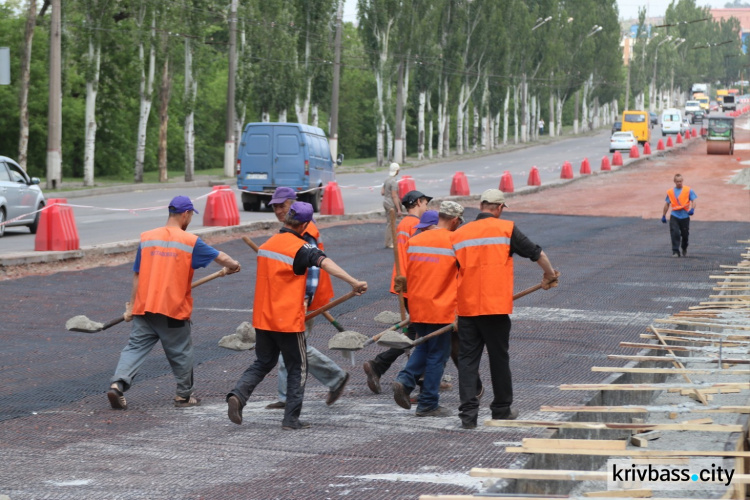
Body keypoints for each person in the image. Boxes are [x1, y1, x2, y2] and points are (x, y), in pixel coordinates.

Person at [226, 202, 367, 430]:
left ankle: (238, 395)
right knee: (297, 367)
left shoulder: (267, 245)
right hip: (288, 321)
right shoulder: (300, 248)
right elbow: (324, 262)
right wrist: (353, 282)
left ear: (286, 220)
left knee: (263, 362)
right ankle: (291, 419)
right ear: (304, 225)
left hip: (264, 318)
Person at [107, 196, 242, 410]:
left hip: (144, 307)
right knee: (181, 352)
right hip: (172, 310)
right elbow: (222, 257)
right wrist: (234, 265)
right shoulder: (189, 241)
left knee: (134, 348)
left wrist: (131, 306)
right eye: (190, 215)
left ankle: (117, 385)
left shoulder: (148, 238)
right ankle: (184, 396)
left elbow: (137, 275)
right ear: (185, 214)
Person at [451, 189, 558, 429]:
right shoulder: (506, 229)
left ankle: (468, 416)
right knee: (498, 358)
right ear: (499, 208)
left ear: (481, 205)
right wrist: (549, 275)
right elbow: (536, 253)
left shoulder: (459, 234)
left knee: (468, 361)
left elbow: (453, 270)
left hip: (468, 308)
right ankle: (501, 409)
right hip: (495, 307)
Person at [262, 187, 351, 410]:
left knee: (294, 347)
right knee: (292, 347)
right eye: (274, 206)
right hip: (295, 297)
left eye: (281, 206)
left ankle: (335, 377)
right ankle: (287, 396)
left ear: (292, 205)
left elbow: (313, 267)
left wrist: (307, 296)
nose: (277, 210)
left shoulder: (306, 229)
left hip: (302, 299)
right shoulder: (292, 228)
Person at [392, 201, 464, 417]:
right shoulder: (454, 242)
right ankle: (428, 403)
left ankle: (405, 381)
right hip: (441, 308)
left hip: (418, 305)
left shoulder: (415, 241)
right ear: (454, 220)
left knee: (423, 347)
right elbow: (462, 278)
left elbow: (408, 272)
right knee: (437, 356)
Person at [363, 190, 431, 394]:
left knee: (413, 332)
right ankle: (416, 376)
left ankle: (381, 366)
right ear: (418, 202)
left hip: (406, 283)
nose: (427, 208)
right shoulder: (414, 225)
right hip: (413, 284)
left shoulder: (404, 225)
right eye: (425, 203)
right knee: (421, 334)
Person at [661, 174, 697, 258]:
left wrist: (692, 209)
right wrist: (663, 215)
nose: (679, 183)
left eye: (680, 181)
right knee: (674, 233)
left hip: (684, 216)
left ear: (682, 181)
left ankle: (684, 247)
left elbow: (693, 201)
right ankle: (675, 251)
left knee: (685, 234)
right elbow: (667, 204)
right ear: (674, 182)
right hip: (675, 215)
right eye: (677, 181)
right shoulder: (670, 192)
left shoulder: (688, 190)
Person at [382, 162, 402, 248]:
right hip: (391, 204)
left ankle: (388, 241)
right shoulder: (394, 182)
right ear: (397, 171)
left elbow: (382, 192)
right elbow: (394, 196)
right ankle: (389, 242)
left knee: (388, 223)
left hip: (385, 202)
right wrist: (399, 209)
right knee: (391, 224)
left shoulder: (386, 180)